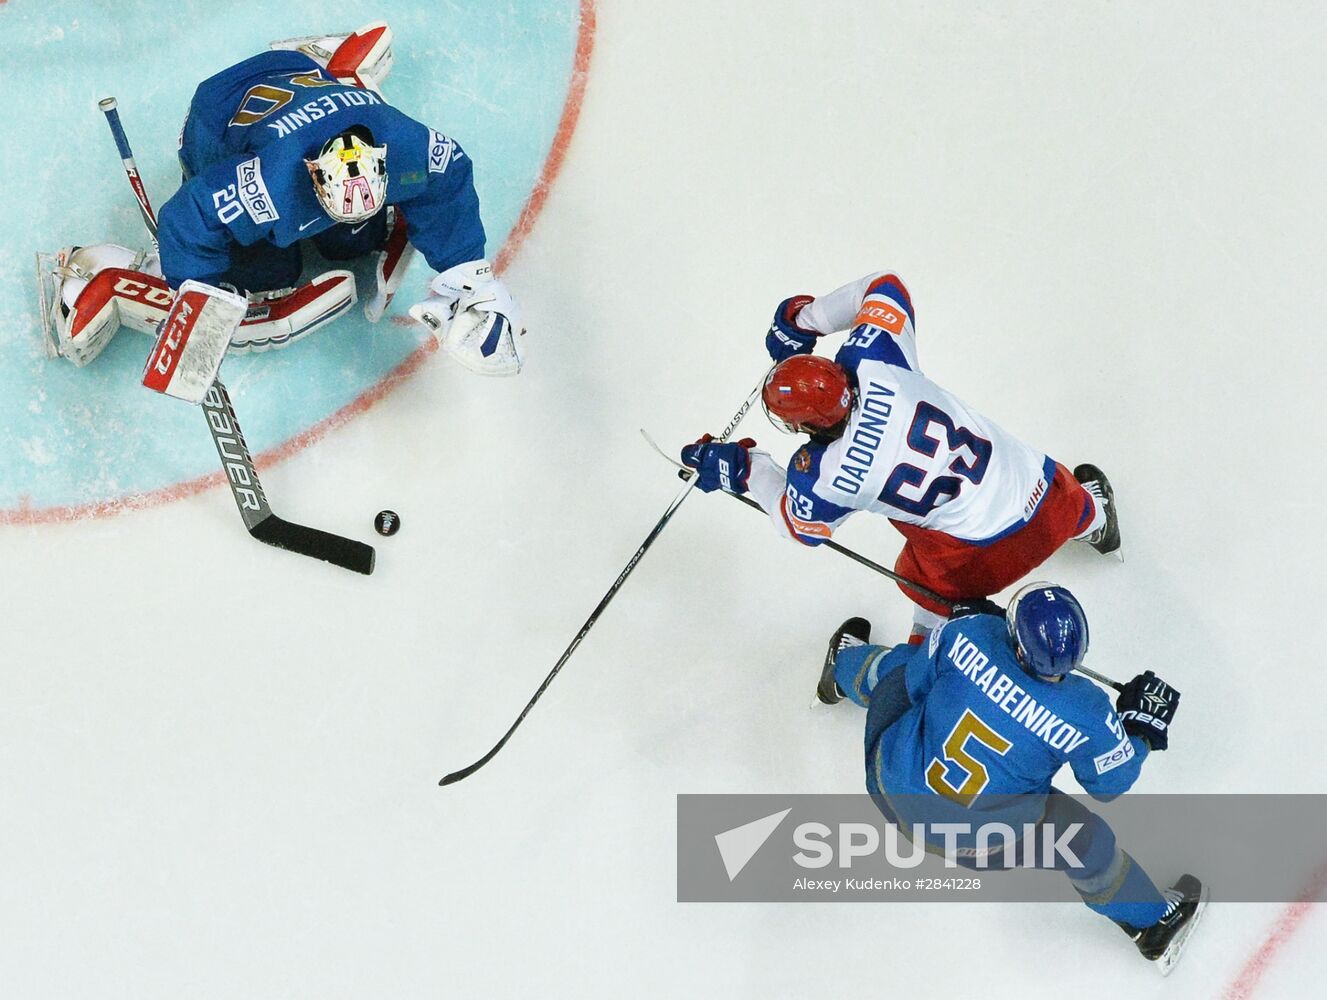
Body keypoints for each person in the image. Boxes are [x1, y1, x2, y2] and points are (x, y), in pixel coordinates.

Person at [42, 22, 523, 376]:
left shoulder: (404, 145)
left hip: (298, 78)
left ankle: (326, 61)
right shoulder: (267, 185)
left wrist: (468, 275)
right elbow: (186, 219)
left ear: (381, 160)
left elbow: (449, 173)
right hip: (218, 115)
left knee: (354, 239)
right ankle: (107, 268)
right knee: (270, 269)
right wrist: (200, 295)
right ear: (313, 176)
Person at [681, 272, 1117, 641]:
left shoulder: (825, 477)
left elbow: (800, 527)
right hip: (1046, 498)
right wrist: (804, 321)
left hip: (980, 563)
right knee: (1059, 494)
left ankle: (911, 665)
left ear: (808, 426)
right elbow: (885, 285)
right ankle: (1096, 520)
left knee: (926, 583)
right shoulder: (875, 357)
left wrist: (743, 470)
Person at [816, 584, 1204, 974]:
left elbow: (917, 683)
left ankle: (842, 668)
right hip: (982, 847)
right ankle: (1153, 922)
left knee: (900, 666)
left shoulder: (969, 634)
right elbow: (1110, 784)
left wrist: (977, 626)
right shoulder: (1089, 712)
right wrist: (1140, 732)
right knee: (1085, 842)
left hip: (890, 787)